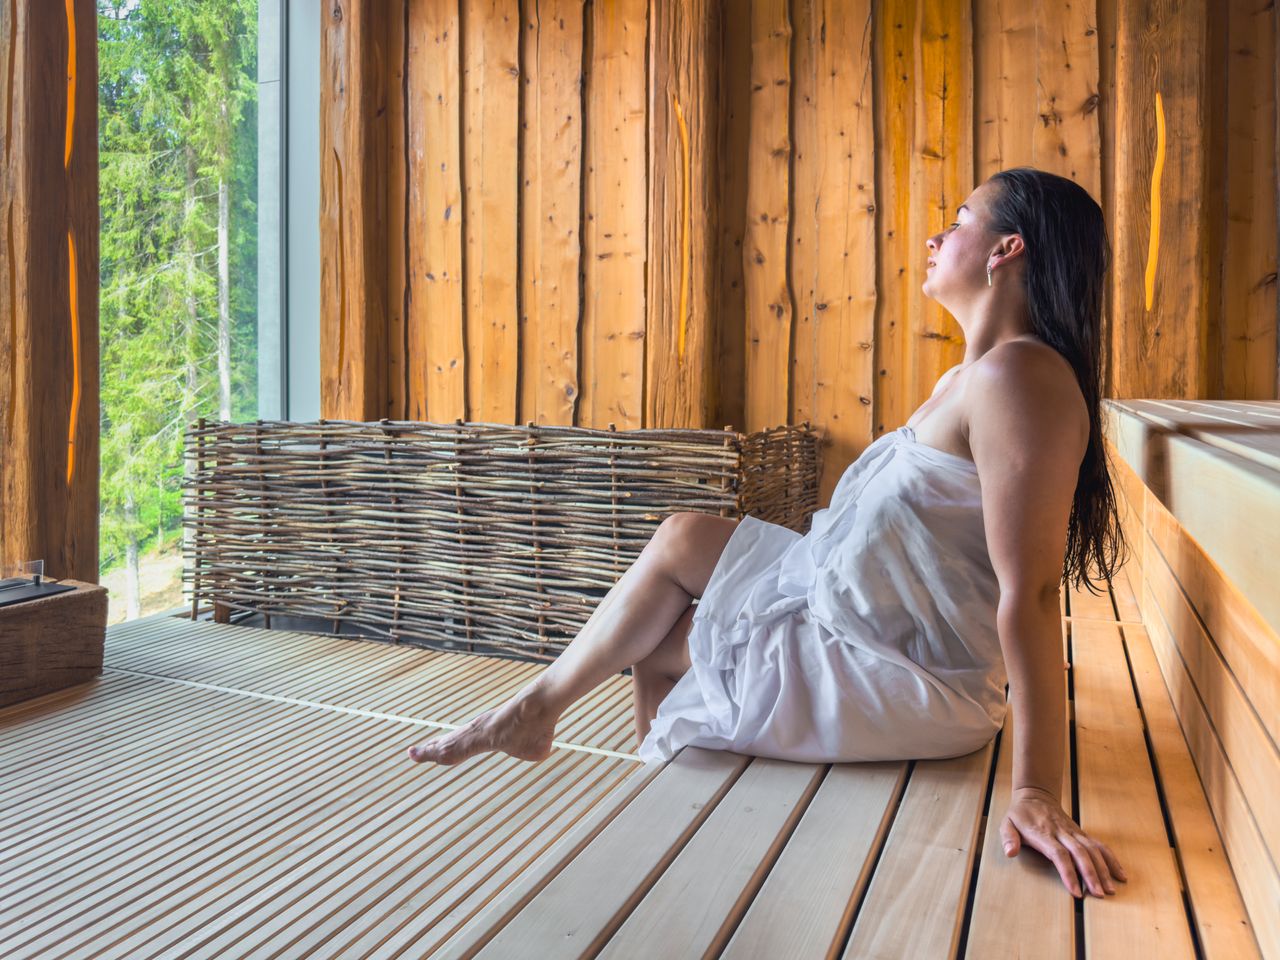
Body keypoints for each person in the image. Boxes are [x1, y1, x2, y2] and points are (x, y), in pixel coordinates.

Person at [404, 166, 1130, 901]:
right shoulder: (966, 380)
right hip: (866, 613)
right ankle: (547, 717)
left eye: (961, 218)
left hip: (907, 668)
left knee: (660, 647)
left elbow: (1032, 589)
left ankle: (648, 831)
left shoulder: (1020, 380)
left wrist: (1036, 788)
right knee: (684, 536)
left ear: (1007, 249)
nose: (939, 236)